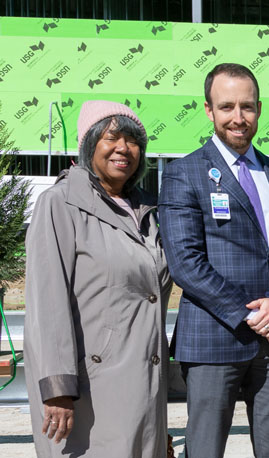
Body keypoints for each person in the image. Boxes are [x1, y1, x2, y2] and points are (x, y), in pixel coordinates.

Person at [159, 63, 269, 458]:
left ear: (259, 109)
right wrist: (251, 315)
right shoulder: (184, 174)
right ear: (209, 111)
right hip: (215, 339)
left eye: (247, 106)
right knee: (206, 450)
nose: (238, 117)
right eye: (226, 106)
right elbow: (186, 263)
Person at [24, 100, 171, 457]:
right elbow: (47, 300)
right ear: (89, 144)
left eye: (133, 140)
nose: (124, 148)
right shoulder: (60, 203)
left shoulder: (149, 210)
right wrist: (58, 388)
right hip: (90, 386)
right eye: (112, 137)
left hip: (147, 382)